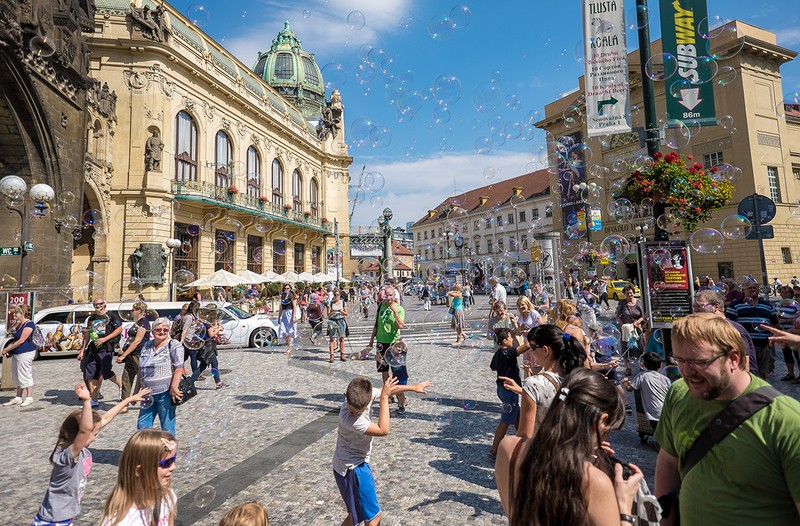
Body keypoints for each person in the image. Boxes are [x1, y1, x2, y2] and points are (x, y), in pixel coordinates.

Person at [655, 314, 800, 526]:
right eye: (679, 360)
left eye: (698, 361)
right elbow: (668, 462)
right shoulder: (679, 394)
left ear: (733, 358)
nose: (686, 372)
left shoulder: (787, 422)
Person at [498, 368, 644, 524]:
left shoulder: (508, 448)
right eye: (608, 432)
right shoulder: (595, 482)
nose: (604, 441)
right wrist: (624, 507)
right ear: (601, 421)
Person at [32, 383, 151, 525]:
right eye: (94, 433)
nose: (96, 436)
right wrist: (87, 401)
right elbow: (85, 430)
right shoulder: (66, 456)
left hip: (64, 517)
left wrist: (129, 399)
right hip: (52, 520)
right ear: (78, 434)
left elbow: (105, 418)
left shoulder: (79, 451)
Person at [332, 376, 432, 526]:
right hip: (354, 469)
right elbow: (383, 429)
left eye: (358, 411)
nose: (353, 413)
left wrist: (413, 387)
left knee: (355, 516)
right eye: (352, 410)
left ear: (367, 403)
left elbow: (386, 390)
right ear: (346, 397)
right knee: (373, 517)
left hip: (344, 466)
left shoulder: (363, 394)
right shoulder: (349, 419)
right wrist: (384, 399)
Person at [100, 429, 178, 526]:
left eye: (174, 459)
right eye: (166, 463)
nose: (174, 467)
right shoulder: (119, 521)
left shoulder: (167, 495)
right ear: (139, 471)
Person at [693, 289, 759, 376]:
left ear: (716, 306)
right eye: (694, 307)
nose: (696, 310)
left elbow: (744, 365)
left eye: (700, 306)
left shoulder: (733, 328)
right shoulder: (708, 328)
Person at [137, 317, 184, 436]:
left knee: (167, 426)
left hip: (165, 393)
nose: (162, 332)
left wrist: (174, 387)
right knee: (142, 426)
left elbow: (179, 367)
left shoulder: (173, 345)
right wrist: (136, 391)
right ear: (152, 331)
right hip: (146, 393)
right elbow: (141, 369)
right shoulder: (147, 345)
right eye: (158, 329)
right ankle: (145, 453)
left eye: (165, 330)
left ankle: (169, 453)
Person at [726, 279, 778, 378]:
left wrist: (773, 338)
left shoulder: (766, 305)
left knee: (762, 372)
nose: (753, 289)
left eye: (755, 287)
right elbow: (729, 325)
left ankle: (760, 391)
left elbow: (775, 323)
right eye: (749, 288)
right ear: (743, 290)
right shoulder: (735, 305)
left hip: (764, 344)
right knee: (746, 371)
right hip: (745, 345)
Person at [79, 297, 124, 407]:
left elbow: (119, 329)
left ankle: (122, 386)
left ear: (105, 304)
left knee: (107, 373)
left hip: (106, 348)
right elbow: (88, 334)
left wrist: (105, 339)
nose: (97, 306)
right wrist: (82, 350)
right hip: (93, 348)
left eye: (100, 304)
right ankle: (94, 399)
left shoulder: (112, 316)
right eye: (95, 304)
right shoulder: (92, 317)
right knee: (91, 374)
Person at [489, 328, 523, 459]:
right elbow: (521, 349)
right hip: (509, 390)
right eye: (510, 338)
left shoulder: (498, 353)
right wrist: (533, 338)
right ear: (504, 341)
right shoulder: (508, 352)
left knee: (517, 416)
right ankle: (494, 450)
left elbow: (493, 367)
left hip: (501, 389)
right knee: (505, 421)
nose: (512, 340)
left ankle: (524, 441)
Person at [621, 352, 671, 433]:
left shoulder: (642, 376)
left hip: (654, 414)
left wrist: (625, 382)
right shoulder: (665, 378)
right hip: (667, 412)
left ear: (644, 364)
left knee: (659, 435)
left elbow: (629, 388)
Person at [116, 302, 151, 413]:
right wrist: (124, 349)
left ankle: (149, 401)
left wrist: (124, 355)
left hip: (139, 354)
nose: (132, 311)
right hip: (131, 355)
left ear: (140, 311)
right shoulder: (136, 323)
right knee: (126, 379)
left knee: (144, 379)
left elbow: (137, 341)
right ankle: (124, 404)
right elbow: (130, 339)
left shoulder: (144, 323)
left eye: (134, 309)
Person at [369, 286, 405, 391]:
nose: (388, 297)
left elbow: (401, 326)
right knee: (383, 370)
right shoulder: (381, 306)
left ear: (394, 296)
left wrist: (395, 313)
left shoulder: (399, 309)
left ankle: (398, 394)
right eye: (386, 295)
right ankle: (387, 393)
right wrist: (371, 340)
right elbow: (376, 324)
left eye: (390, 295)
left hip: (393, 343)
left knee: (396, 371)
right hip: (381, 342)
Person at [2, 305, 37, 407]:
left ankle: (29, 397)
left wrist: (8, 348)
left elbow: (22, 340)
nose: (14, 315)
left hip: (26, 353)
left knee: (25, 374)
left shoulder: (29, 324)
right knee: (17, 375)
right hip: (18, 353)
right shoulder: (20, 325)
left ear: (22, 313)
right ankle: (18, 397)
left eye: (16, 313)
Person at [615, 285, 645, 376]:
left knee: (640, 347)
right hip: (626, 330)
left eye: (631, 293)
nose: (630, 295)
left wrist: (638, 322)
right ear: (625, 294)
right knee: (625, 348)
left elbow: (643, 315)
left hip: (637, 329)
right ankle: (628, 368)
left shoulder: (639, 303)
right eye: (628, 293)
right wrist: (622, 325)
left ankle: (641, 366)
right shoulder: (622, 303)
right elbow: (617, 315)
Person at [189, 311, 223, 389]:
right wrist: (218, 329)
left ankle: (218, 382)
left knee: (208, 365)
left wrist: (218, 326)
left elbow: (220, 329)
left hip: (208, 347)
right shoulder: (208, 326)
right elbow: (211, 334)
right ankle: (190, 381)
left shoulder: (207, 325)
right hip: (208, 347)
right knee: (206, 366)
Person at [775, 285, 800, 381]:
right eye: (782, 292)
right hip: (783, 332)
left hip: (794, 333)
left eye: (786, 292)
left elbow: (797, 319)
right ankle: (790, 374)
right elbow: (774, 316)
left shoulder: (795, 305)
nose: (784, 294)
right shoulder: (777, 304)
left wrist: (785, 321)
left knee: (797, 354)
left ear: (791, 294)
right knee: (787, 354)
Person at [327, 289, 349, 362]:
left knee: (342, 338)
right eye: (335, 295)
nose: (337, 296)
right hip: (332, 321)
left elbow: (346, 313)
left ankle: (342, 354)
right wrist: (332, 312)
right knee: (332, 339)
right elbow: (328, 314)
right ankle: (331, 355)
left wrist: (341, 311)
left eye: (338, 295)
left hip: (341, 321)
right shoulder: (331, 303)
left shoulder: (343, 303)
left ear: (340, 295)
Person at [278, 284, 298, 350]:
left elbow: (294, 307)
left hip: (290, 313)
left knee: (290, 332)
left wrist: (294, 316)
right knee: (282, 331)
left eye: (288, 288)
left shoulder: (292, 296)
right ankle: (290, 345)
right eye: (285, 288)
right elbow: (281, 307)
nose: (286, 289)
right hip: (284, 314)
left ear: (290, 289)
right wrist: (279, 317)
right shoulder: (283, 296)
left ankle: (290, 348)